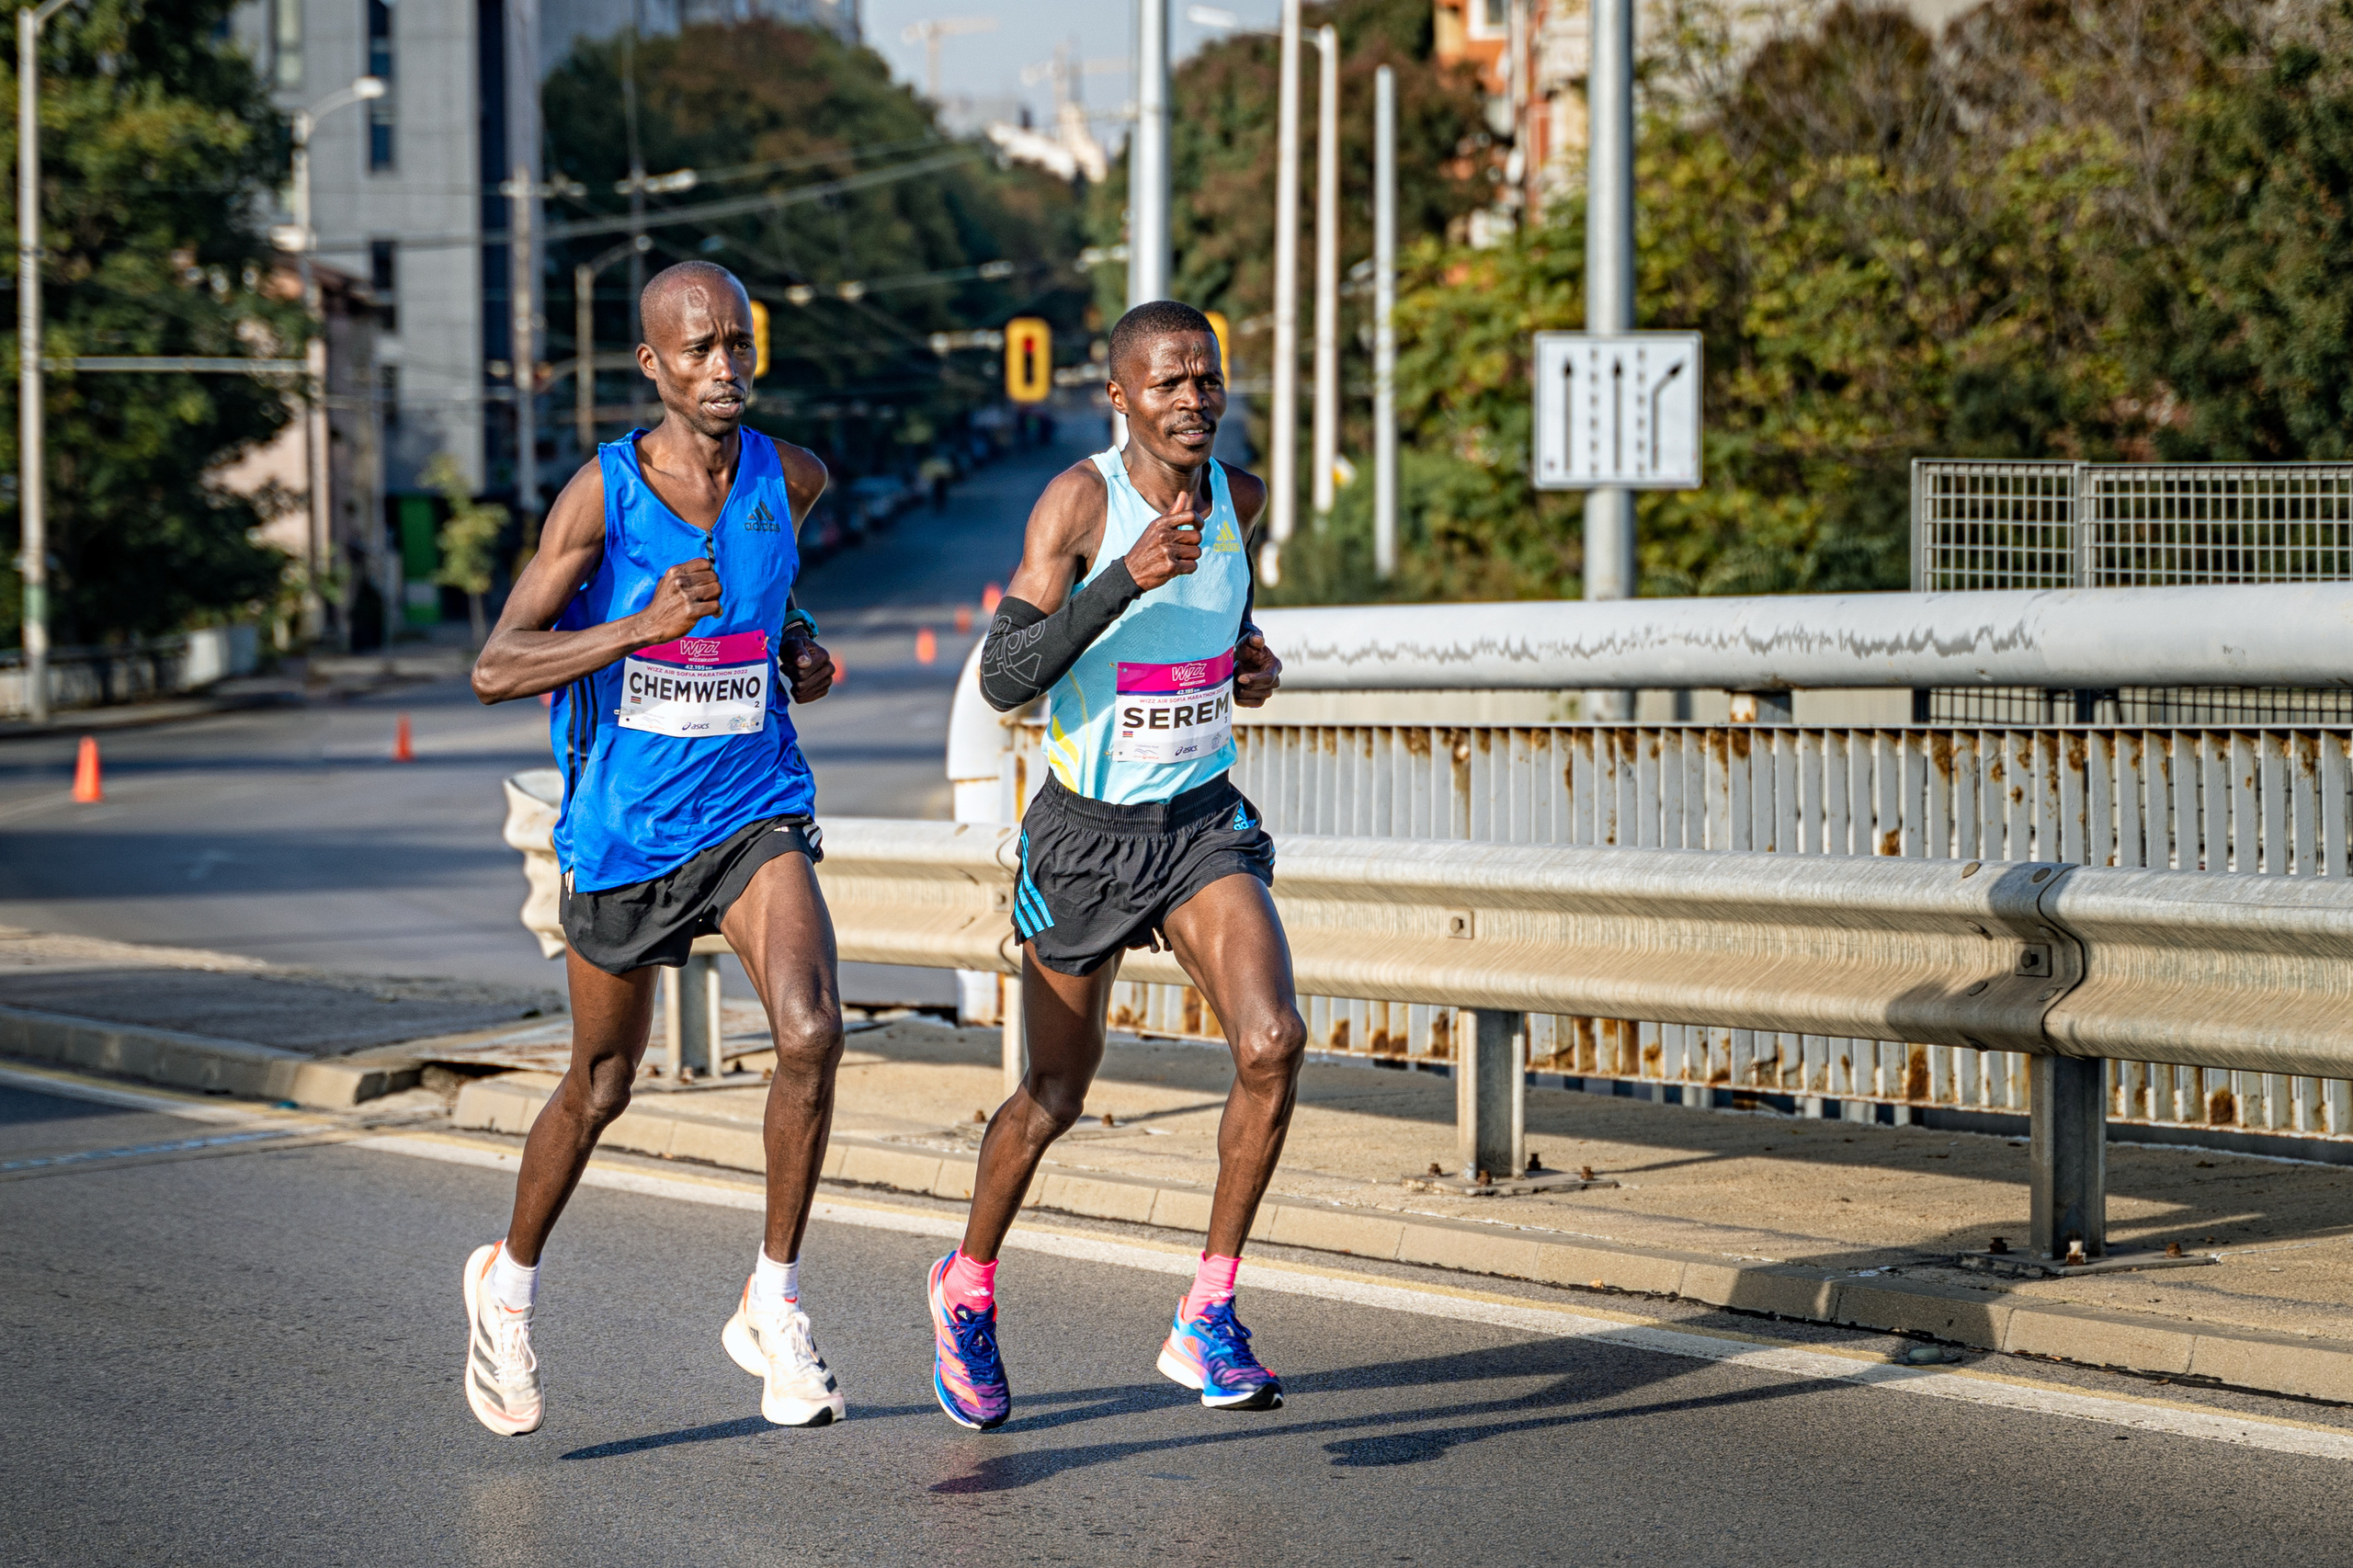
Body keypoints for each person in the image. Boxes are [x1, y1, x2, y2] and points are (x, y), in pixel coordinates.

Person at [460, 261, 847, 1437]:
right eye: (697, 350)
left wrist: (800, 645)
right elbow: (494, 666)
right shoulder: (602, 496)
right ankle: (507, 1283)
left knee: (812, 1028)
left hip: (752, 805)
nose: (722, 366)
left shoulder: (795, 475)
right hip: (625, 828)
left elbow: (774, 596)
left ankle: (772, 1300)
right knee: (602, 1083)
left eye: (737, 344)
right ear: (654, 366)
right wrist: (638, 626)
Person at [930, 300, 1300, 1430]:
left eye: (1207, 378)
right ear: (1121, 396)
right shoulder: (1081, 502)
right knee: (1054, 1093)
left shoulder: (1242, 499)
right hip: (1085, 835)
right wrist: (1122, 578)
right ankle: (967, 1286)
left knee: (1272, 1040)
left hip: (1196, 823)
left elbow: (1221, 626)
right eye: (1167, 381)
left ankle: (1208, 1310)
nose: (1193, 399)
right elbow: (1005, 678)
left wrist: (1247, 661)